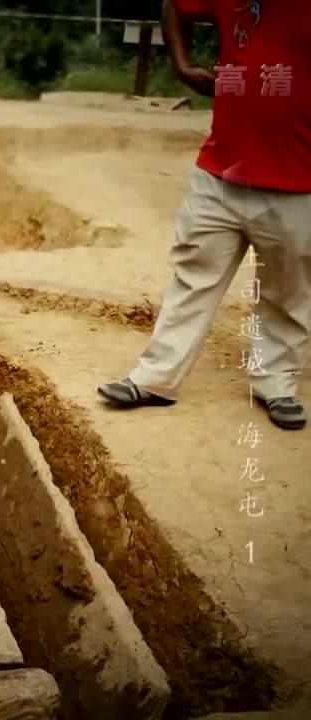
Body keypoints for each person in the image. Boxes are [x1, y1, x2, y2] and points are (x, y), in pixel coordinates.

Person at [97, 0, 310, 431]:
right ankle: (157, 378)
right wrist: (182, 64)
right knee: (194, 276)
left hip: (297, 178)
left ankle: (276, 384)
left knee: (287, 290)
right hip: (219, 169)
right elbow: (174, 6)